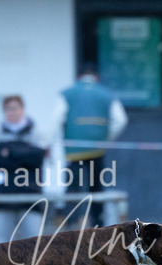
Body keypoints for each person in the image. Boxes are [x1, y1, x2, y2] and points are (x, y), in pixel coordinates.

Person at [0, 94, 47, 265]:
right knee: (1, 247)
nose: (12, 112)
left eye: (16, 108)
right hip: (2, 197)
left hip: (30, 197)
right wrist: (22, 155)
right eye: (8, 109)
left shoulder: (36, 132)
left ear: (23, 109)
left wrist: (9, 153)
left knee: (34, 247)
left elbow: (37, 158)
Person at [53, 63, 128, 228]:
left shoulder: (67, 93)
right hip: (97, 149)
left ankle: (70, 223)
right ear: (97, 77)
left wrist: (52, 143)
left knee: (73, 187)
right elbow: (121, 120)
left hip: (73, 150)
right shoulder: (107, 94)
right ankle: (98, 223)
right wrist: (106, 139)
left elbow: (57, 118)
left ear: (78, 77)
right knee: (96, 187)